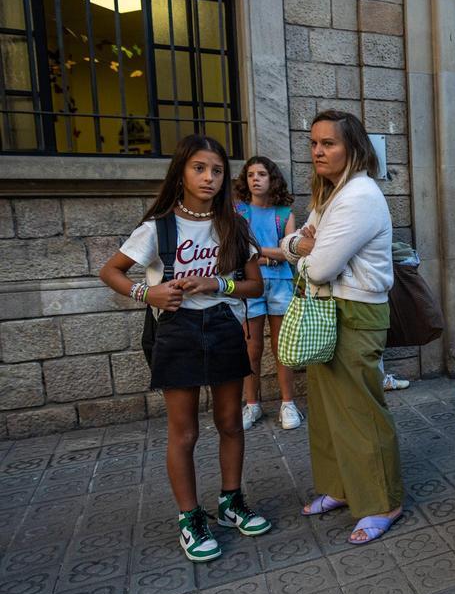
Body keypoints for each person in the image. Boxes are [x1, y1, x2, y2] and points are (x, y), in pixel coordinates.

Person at [99, 135, 271, 563]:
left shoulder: (233, 225)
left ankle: (231, 501)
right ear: (181, 172)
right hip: (176, 331)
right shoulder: (158, 227)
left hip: (222, 325)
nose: (209, 177)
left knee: (231, 421)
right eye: (199, 168)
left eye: (216, 170)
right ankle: (189, 516)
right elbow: (111, 270)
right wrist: (147, 293)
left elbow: (254, 284)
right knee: (185, 431)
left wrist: (217, 283)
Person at [281, 110, 405, 545]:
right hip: (329, 311)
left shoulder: (359, 196)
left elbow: (318, 267)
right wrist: (301, 244)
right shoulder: (331, 195)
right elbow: (295, 242)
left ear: (352, 148)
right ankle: (340, 487)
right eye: (313, 142)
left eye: (328, 143)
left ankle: (383, 501)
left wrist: (304, 249)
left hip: (357, 312)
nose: (317, 150)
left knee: (360, 411)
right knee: (328, 409)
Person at [233, 156, 303, 431]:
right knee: (251, 348)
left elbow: (292, 252)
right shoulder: (239, 211)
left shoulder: (285, 213)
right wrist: (272, 256)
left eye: (261, 173)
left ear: (271, 178)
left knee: (281, 347)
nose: (255, 179)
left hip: (282, 284)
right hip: (250, 284)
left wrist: (259, 254)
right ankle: (252, 405)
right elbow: (238, 251)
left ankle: (288, 403)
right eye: (250, 174)